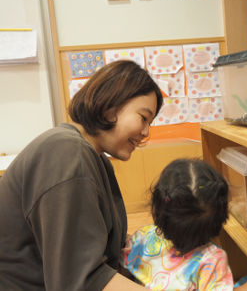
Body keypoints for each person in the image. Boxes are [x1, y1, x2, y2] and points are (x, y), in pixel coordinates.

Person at [0, 60, 164, 291]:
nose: (146, 132)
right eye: (143, 118)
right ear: (109, 108)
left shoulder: (92, 157)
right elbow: (81, 280)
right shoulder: (66, 154)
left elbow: (98, 242)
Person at [121, 158, 247, 290]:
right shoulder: (211, 259)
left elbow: (123, 268)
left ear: (156, 209)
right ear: (221, 219)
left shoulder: (142, 237)